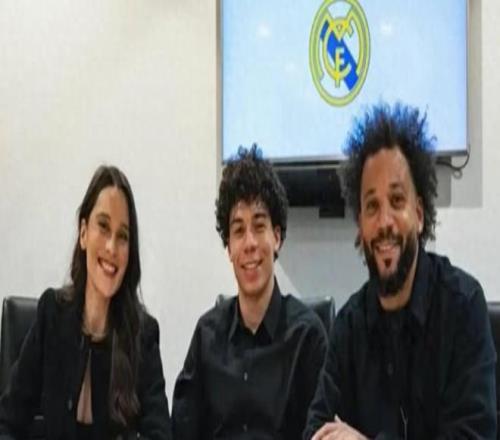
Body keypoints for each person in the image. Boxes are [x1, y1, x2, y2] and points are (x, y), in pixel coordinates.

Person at [304, 102, 497, 440]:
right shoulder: (348, 327)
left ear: (419, 214)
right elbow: (316, 431)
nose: (384, 223)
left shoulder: (463, 307)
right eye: (372, 206)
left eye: (396, 201)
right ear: (360, 225)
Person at [0, 165, 172, 439]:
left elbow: (160, 434)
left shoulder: (143, 335)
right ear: (83, 233)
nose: (111, 247)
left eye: (123, 236)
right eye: (103, 226)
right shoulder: (51, 315)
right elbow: (7, 422)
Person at [172, 145, 327, 439]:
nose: (250, 243)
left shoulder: (308, 338)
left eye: (259, 226)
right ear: (229, 247)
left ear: (277, 237)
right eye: (239, 231)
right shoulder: (206, 336)